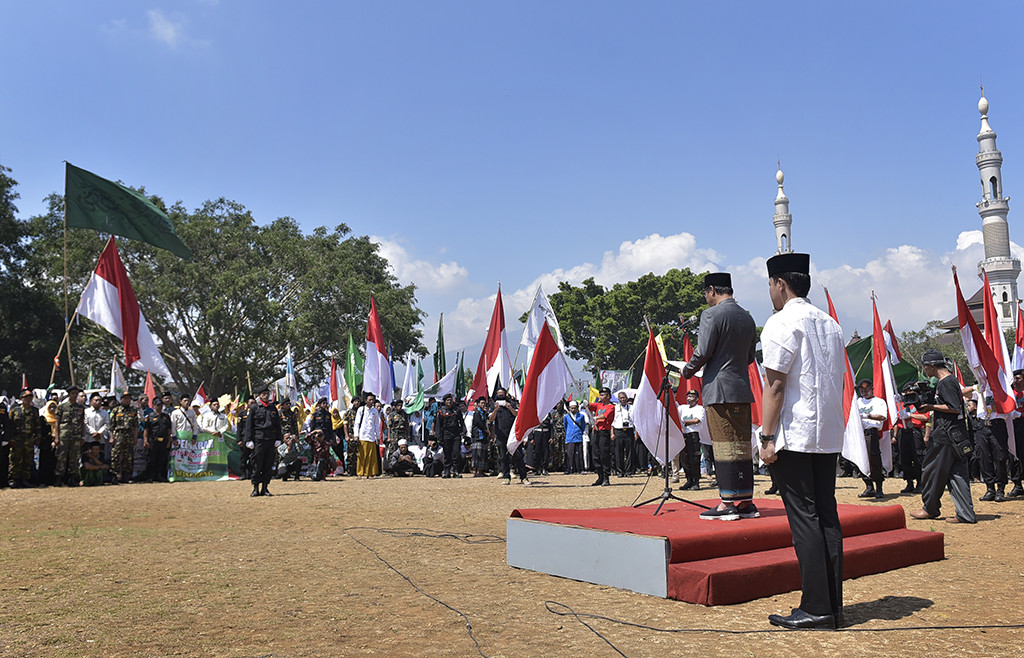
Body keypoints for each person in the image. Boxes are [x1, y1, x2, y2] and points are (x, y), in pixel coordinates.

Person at [758, 252, 846, 630]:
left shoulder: (781, 322)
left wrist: (765, 436)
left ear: (780, 283)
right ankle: (832, 604)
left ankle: (815, 605)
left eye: (770, 286)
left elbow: (775, 385)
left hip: (794, 434)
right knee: (827, 516)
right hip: (826, 432)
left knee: (804, 520)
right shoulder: (831, 323)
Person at [681, 272, 759, 520]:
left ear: (712, 289)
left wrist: (687, 370)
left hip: (719, 389)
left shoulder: (711, 314)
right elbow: (749, 357)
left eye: (706, 293)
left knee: (723, 444)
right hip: (741, 389)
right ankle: (745, 502)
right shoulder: (747, 317)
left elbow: (702, 351)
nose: (706, 298)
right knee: (742, 446)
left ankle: (727, 503)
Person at [911, 349, 977, 524]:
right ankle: (965, 514)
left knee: (931, 470)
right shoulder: (949, 381)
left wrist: (931, 407)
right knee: (957, 475)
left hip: (946, 436)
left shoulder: (946, 382)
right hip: (957, 435)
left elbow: (954, 407)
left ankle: (930, 508)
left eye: (926, 366)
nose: (925, 370)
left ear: (932, 366)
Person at [244, 385, 283, 496]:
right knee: (257, 464)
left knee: (268, 465)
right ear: (259, 396)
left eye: (267, 394)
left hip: (270, 440)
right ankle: (255, 488)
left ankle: (265, 488)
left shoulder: (273, 408)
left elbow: (277, 425)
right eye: (263, 394)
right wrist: (248, 440)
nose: (266, 396)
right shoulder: (254, 408)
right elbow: (249, 425)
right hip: (258, 440)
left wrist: (278, 438)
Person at [9, 389, 50, 488]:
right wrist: (11, 439)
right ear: (21, 399)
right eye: (26, 397)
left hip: (29, 440)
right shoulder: (15, 410)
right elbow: (10, 426)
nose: (28, 399)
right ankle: (13, 480)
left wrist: (37, 438)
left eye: (30, 397)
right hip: (17, 439)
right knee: (15, 460)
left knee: (28, 461)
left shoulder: (34, 411)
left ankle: (25, 480)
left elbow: (38, 426)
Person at [855, 379, 888, 499]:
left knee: (874, 460)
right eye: (861, 390)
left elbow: (882, 416)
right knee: (861, 460)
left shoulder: (879, 402)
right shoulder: (857, 402)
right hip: (859, 433)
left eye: (867, 389)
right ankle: (868, 486)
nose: (864, 392)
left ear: (872, 389)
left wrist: (866, 415)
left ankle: (879, 487)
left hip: (871, 432)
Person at [896, 383, 929, 493]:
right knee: (905, 458)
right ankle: (909, 482)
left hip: (915, 431)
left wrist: (910, 415)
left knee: (917, 457)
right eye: (906, 392)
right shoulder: (901, 404)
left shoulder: (919, 402)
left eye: (910, 391)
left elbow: (925, 417)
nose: (908, 394)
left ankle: (920, 483)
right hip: (903, 431)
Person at [490, 388, 528, 485]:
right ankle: (506, 477)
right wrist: (495, 409)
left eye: (502, 394)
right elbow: (490, 419)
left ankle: (524, 477)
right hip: (500, 435)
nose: (501, 396)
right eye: (499, 395)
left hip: (513, 435)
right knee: (503, 456)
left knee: (518, 455)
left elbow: (518, 415)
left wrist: (510, 407)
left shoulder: (512, 403)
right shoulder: (493, 405)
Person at [53, 385, 86, 487]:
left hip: (76, 437)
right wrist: (56, 437)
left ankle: (72, 479)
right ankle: (59, 479)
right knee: (61, 458)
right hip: (64, 436)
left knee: (74, 459)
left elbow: (82, 423)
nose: (75, 395)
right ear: (69, 394)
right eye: (73, 393)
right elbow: (57, 423)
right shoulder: (62, 407)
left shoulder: (80, 408)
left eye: (76, 393)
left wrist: (82, 436)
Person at [109, 391, 139, 484]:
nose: (127, 400)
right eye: (125, 398)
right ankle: (114, 476)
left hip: (129, 435)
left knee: (128, 457)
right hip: (118, 435)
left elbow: (135, 426)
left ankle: (126, 476)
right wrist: (111, 437)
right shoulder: (115, 410)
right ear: (121, 399)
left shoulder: (133, 411)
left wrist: (135, 438)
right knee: (115, 456)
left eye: (128, 398)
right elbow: (111, 426)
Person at [587, 387, 616, 486]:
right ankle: (600, 476)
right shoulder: (598, 405)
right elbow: (590, 406)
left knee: (604, 455)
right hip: (596, 432)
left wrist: (595, 417)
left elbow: (604, 415)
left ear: (608, 396)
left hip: (604, 432)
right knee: (596, 455)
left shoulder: (611, 406)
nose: (601, 396)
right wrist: (585, 404)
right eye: (601, 394)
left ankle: (606, 477)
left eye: (603, 395)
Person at [678, 389, 704, 490]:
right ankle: (689, 480)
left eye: (692, 396)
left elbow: (697, 420)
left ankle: (696, 482)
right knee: (684, 459)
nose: (689, 398)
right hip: (684, 435)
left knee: (694, 459)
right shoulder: (683, 408)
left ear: (697, 399)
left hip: (693, 435)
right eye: (688, 396)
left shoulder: (699, 408)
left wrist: (684, 422)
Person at [143, 396, 173, 482]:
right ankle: (151, 476)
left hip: (163, 441)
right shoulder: (150, 416)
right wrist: (145, 441)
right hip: (153, 440)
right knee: (151, 459)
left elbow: (169, 430)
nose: (160, 407)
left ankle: (161, 476)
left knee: (162, 459)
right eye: (158, 405)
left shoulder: (166, 416)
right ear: (154, 406)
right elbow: (146, 430)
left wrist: (169, 441)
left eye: (161, 405)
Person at [353, 392, 383, 478]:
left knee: (371, 456)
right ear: (366, 400)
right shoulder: (361, 409)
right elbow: (357, 423)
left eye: (372, 400)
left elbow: (377, 425)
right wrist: (356, 435)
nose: (371, 401)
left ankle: (370, 473)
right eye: (369, 400)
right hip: (363, 435)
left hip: (372, 436)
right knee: (362, 455)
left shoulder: (375, 411)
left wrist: (378, 437)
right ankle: (360, 473)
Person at [435, 394, 465, 478]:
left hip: (456, 434)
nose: (449, 402)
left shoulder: (457, 410)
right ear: (444, 402)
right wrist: (439, 437)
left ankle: (456, 471)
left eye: (450, 400)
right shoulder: (441, 411)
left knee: (456, 453)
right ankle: (447, 471)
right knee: (447, 454)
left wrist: (463, 431)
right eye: (447, 400)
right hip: (446, 434)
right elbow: (438, 425)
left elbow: (461, 422)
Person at [612, 391, 633, 477]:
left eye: (624, 397)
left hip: (629, 430)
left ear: (626, 398)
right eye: (621, 398)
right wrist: (612, 433)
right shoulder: (615, 408)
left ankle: (628, 471)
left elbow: (635, 421)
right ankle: (620, 471)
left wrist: (636, 433)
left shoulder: (632, 407)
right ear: (618, 399)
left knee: (629, 452)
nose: (623, 399)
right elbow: (612, 422)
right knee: (618, 452)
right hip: (618, 431)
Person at [563, 401, 586, 475]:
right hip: (570, 437)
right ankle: (569, 469)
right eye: (571, 408)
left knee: (579, 453)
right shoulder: (566, 416)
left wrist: (580, 432)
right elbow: (565, 426)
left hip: (578, 436)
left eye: (574, 408)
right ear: (569, 408)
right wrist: (569, 432)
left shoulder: (581, 416)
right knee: (569, 453)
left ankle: (581, 469)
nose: (573, 410)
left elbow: (583, 426)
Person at [470, 396, 491, 477]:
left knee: (483, 453)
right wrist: (486, 430)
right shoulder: (477, 413)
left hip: (483, 436)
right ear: (478, 404)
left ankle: (481, 471)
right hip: (478, 435)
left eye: (484, 403)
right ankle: (476, 471)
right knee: (477, 454)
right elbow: (479, 424)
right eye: (482, 403)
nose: (483, 405)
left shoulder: (484, 413)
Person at [343, 397, 362, 476]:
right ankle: (350, 470)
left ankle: (359, 469)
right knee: (351, 453)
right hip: (351, 435)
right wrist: (346, 436)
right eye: (355, 401)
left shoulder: (362, 412)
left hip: (361, 435)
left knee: (360, 453)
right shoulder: (348, 412)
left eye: (358, 401)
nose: (357, 403)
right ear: (352, 402)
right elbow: (345, 425)